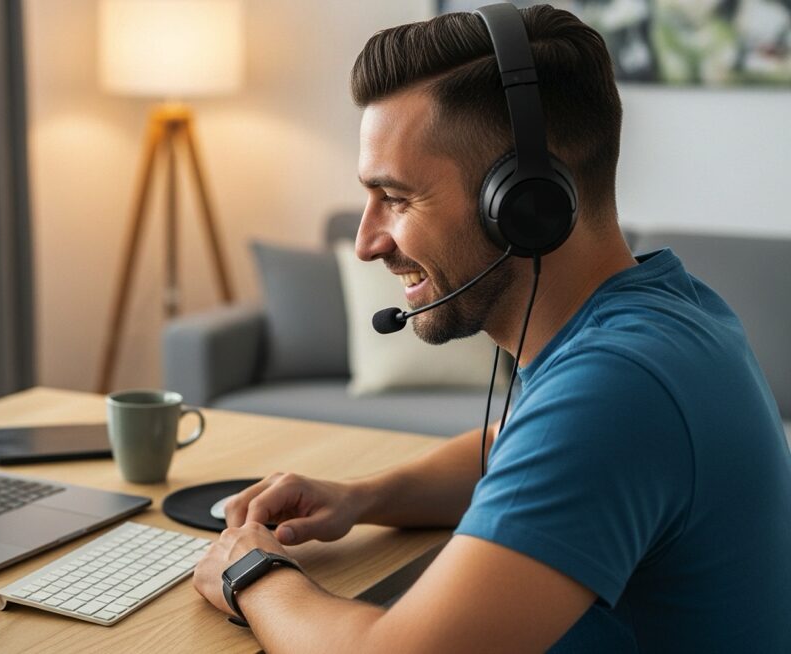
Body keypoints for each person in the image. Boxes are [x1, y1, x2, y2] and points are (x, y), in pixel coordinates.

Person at [190, 7, 791, 652]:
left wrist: (251, 571)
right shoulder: (669, 310)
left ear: (524, 204)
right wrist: (362, 497)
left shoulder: (616, 389)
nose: (366, 243)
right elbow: (513, 442)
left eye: (395, 198)